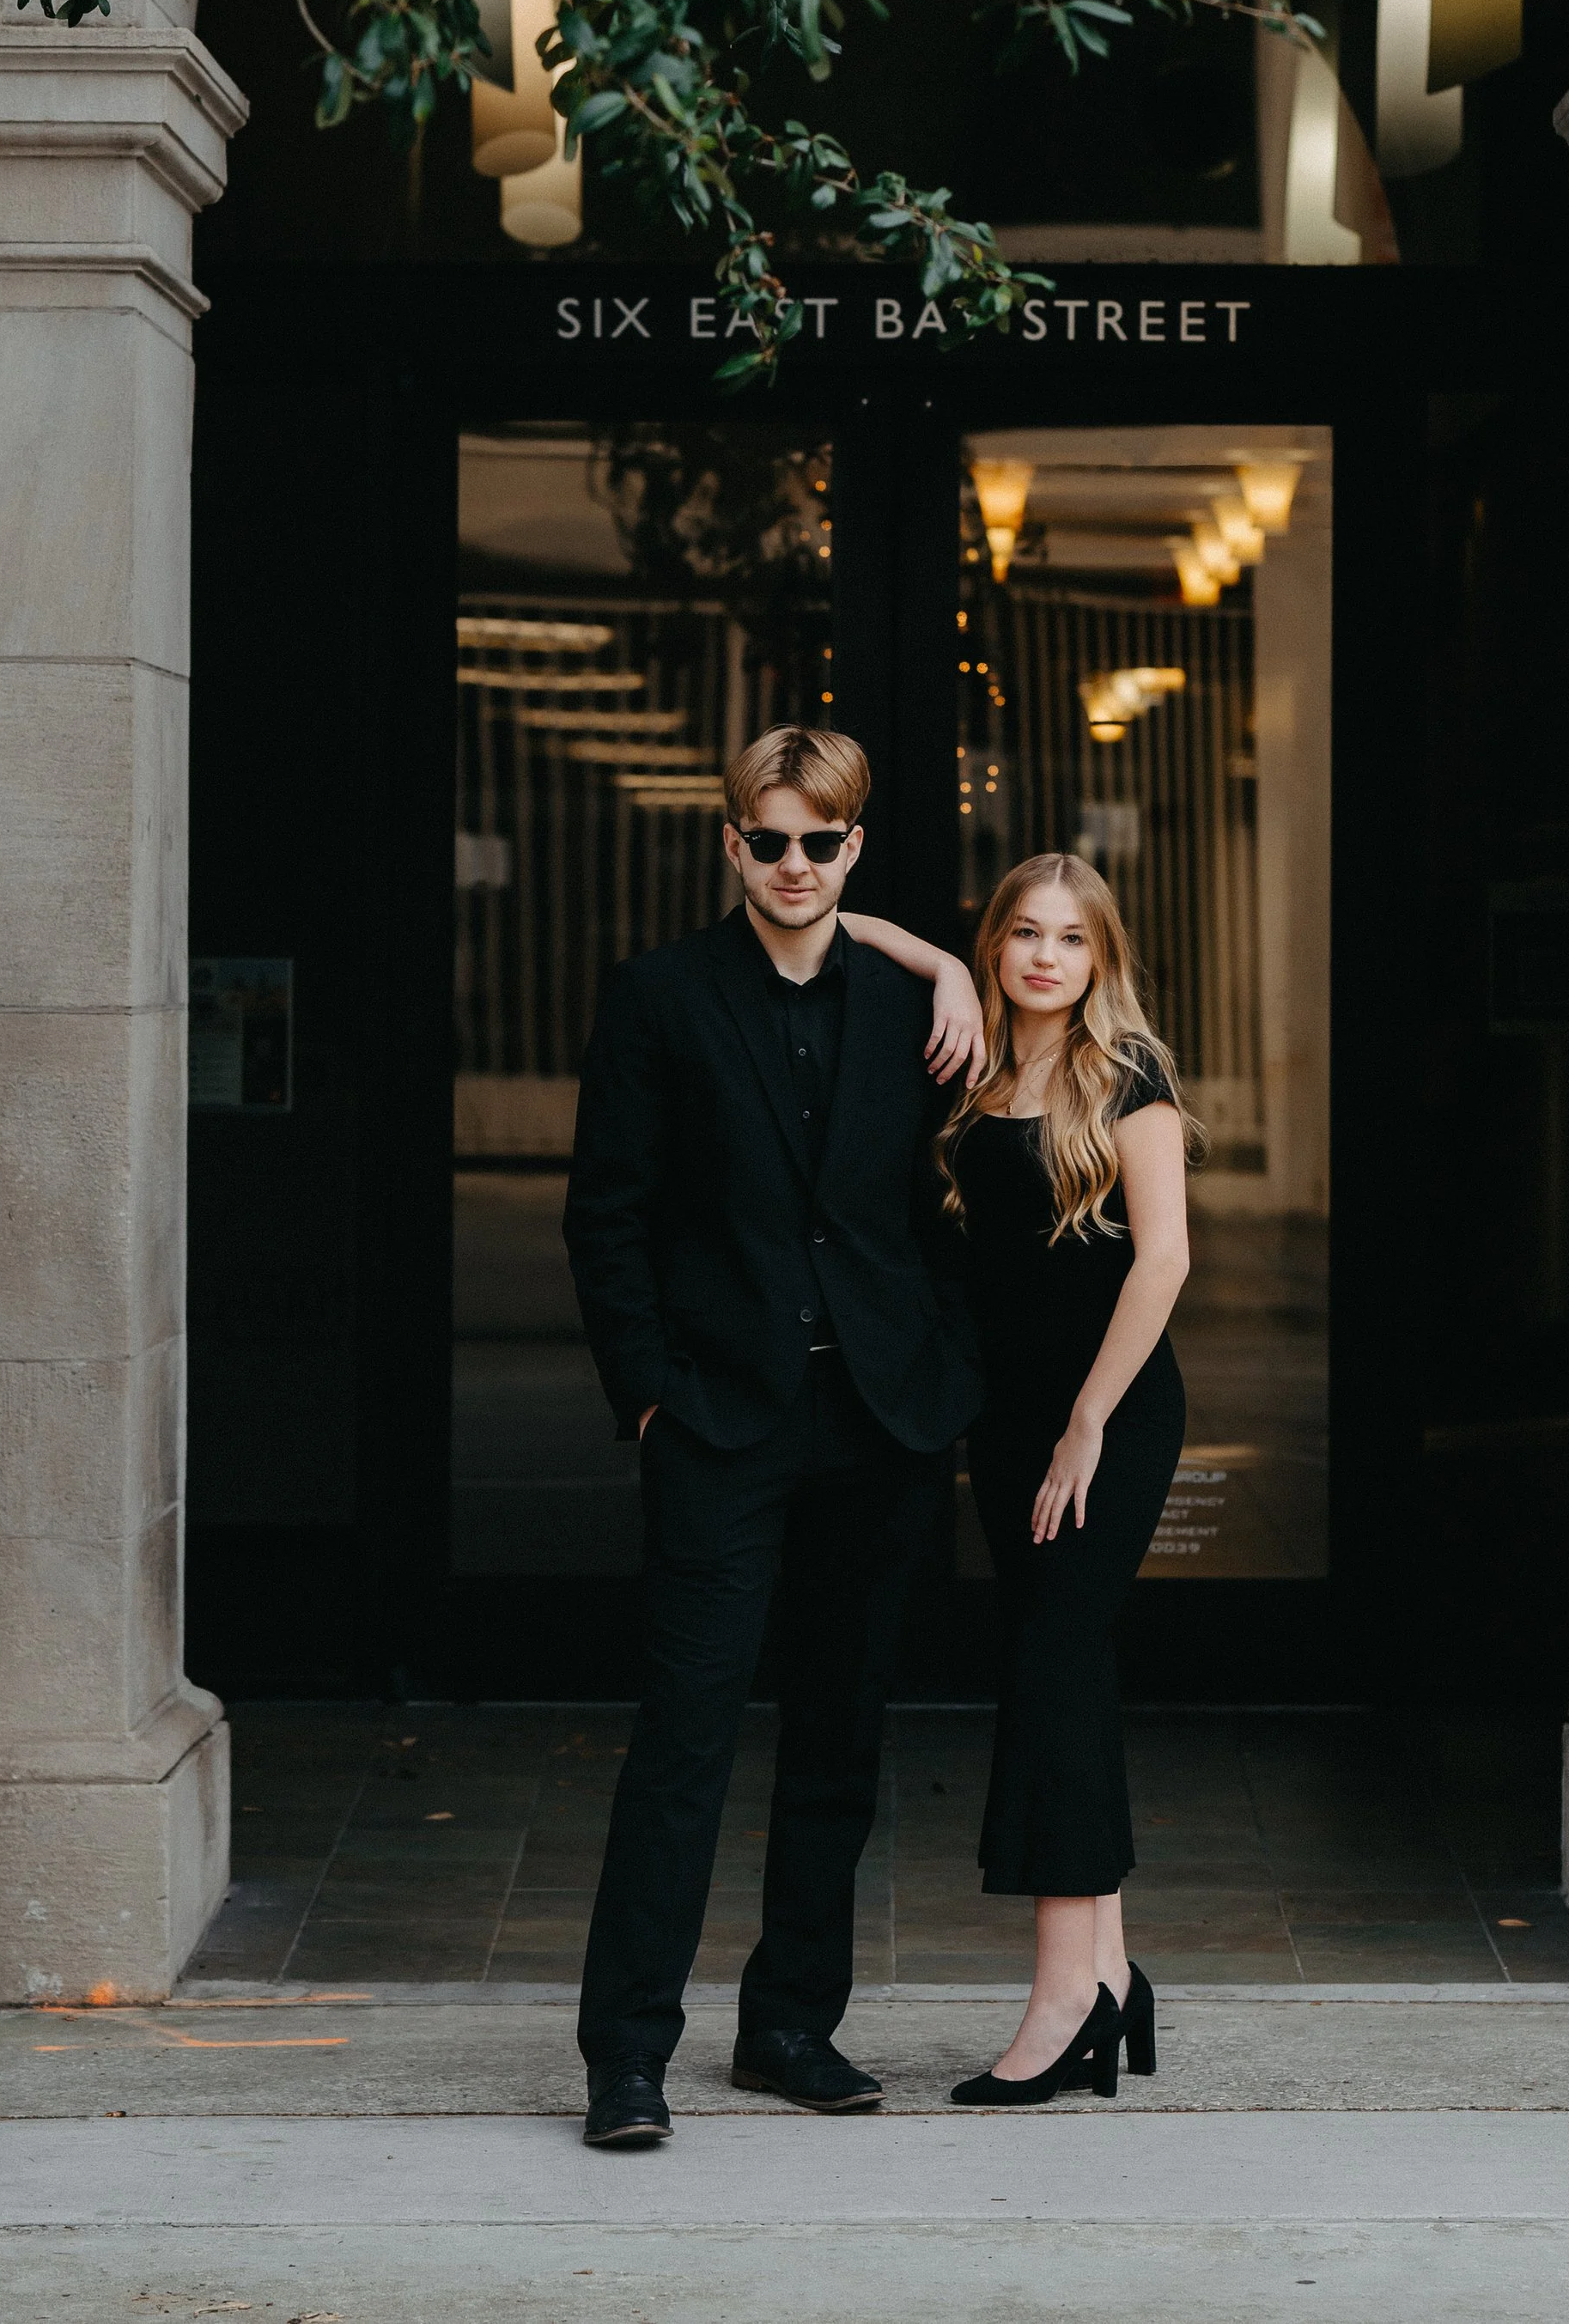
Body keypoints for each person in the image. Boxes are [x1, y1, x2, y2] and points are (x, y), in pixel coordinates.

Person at [563, 723, 984, 2149]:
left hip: (879, 1420)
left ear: (855, 847)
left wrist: (946, 1374)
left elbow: (956, 1198)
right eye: (768, 839)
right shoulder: (660, 995)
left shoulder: (914, 1006)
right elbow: (606, 1210)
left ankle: (791, 2024)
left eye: (819, 841)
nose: (793, 864)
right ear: (730, 841)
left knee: (839, 1739)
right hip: (721, 1421)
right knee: (682, 1741)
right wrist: (648, 1389)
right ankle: (628, 2053)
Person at [935, 852, 1195, 2108]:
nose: (1047, 956)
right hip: (1008, 1423)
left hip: (1110, 1416)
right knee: (1067, 1670)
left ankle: (1064, 2002)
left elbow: (1164, 1260)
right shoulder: (974, 1074)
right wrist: (930, 961)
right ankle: (1110, 1974)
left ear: (1103, 956)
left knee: (1051, 1670)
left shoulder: (1126, 1074)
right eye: (1025, 933)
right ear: (994, 944)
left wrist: (1089, 1421)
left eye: (1072, 937)